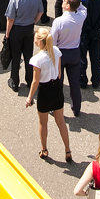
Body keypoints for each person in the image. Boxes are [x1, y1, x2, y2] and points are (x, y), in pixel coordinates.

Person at [25, 26, 72, 163]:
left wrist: (29, 98)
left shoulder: (37, 59)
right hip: (56, 87)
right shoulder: (56, 51)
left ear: (39, 41)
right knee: (61, 121)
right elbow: (59, 73)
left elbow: (35, 82)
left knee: (43, 122)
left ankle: (44, 149)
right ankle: (67, 149)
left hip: (45, 90)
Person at [5, 0, 44, 90]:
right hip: (29, 29)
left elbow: (10, 19)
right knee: (28, 56)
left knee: (16, 56)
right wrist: (34, 21)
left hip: (16, 30)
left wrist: (7, 34)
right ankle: (30, 80)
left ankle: (14, 81)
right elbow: (41, 12)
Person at [52, 0, 87, 117]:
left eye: (65, 1)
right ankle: (76, 109)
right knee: (74, 84)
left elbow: (53, 42)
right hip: (74, 53)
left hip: (60, 54)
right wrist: (77, 1)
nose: (62, 1)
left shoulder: (58, 21)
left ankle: (56, 108)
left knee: (57, 83)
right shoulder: (80, 17)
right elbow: (83, 8)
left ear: (67, 6)